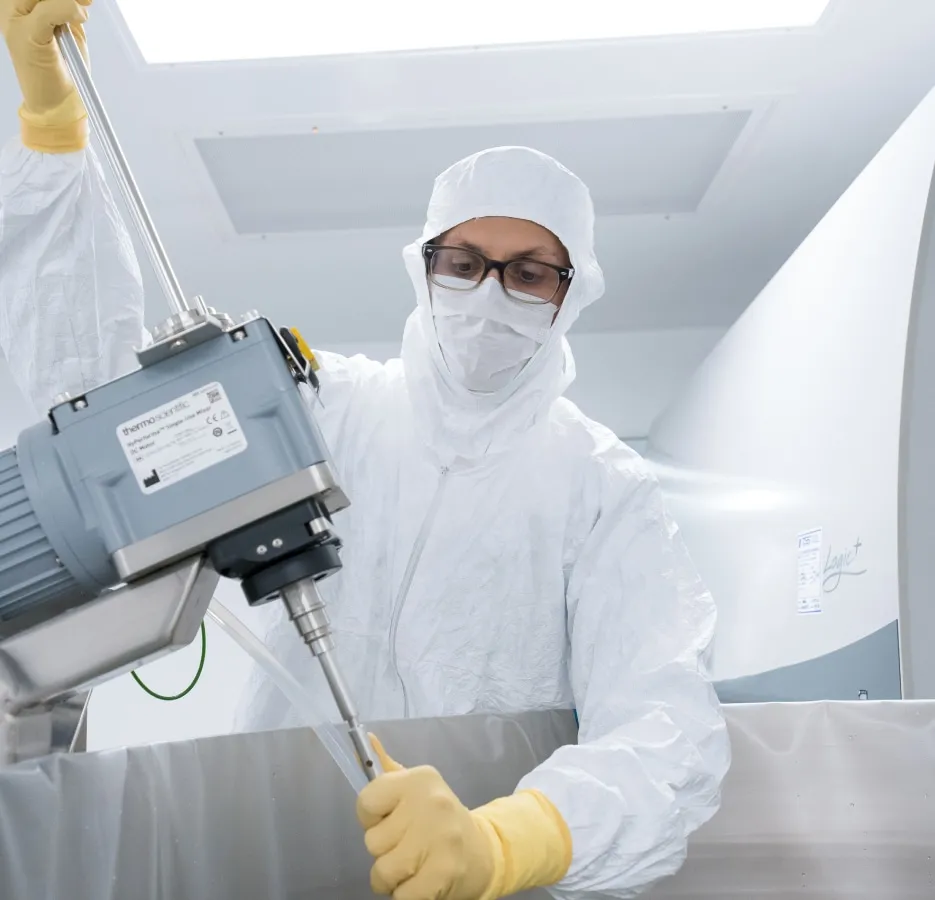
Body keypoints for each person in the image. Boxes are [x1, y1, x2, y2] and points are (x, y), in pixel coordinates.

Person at [0, 2, 731, 899]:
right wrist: (52, 134)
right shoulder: (320, 409)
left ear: (570, 295)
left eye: (528, 272)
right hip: (274, 841)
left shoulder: (599, 487)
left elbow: (667, 728)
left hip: (485, 877)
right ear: (421, 268)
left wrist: (509, 841)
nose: (490, 293)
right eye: (462, 262)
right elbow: (95, 417)